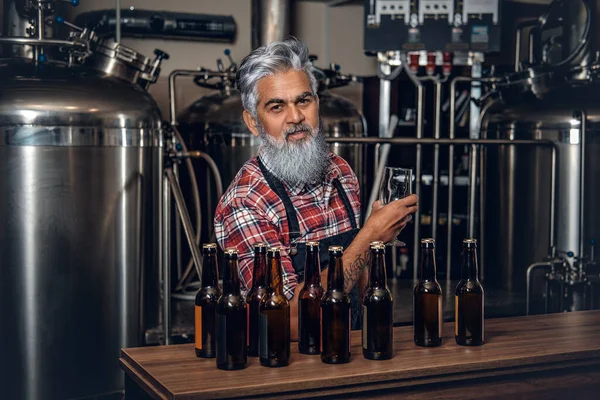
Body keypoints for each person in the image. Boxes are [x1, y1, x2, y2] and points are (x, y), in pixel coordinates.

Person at [214, 37, 418, 340]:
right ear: (254, 123)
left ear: (317, 104)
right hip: (286, 366)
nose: (295, 117)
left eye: (303, 101)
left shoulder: (341, 172)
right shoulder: (246, 203)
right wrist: (370, 236)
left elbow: (361, 280)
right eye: (276, 107)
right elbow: (284, 319)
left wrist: (377, 243)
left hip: (350, 350)